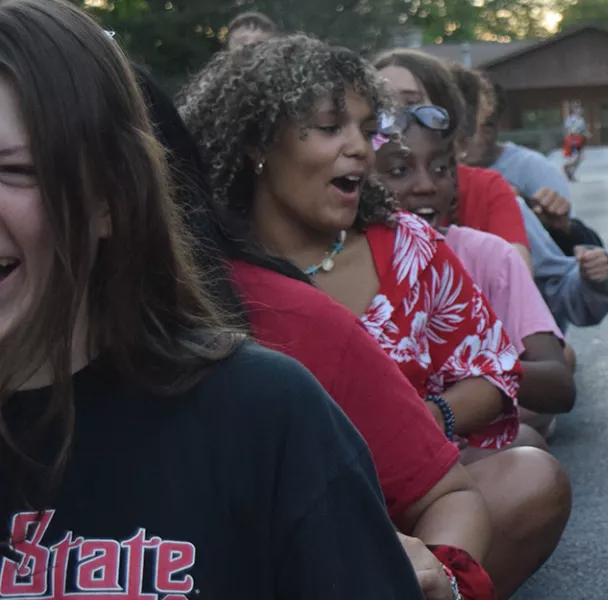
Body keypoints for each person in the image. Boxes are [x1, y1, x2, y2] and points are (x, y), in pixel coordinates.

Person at [0, 1, 423, 597]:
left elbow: (451, 485)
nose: (358, 148)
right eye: (329, 128)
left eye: (13, 170)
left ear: (110, 199)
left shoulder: (263, 408)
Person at [179, 35, 571, 598]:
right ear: (256, 141)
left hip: (413, 493)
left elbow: (496, 369)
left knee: (533, 477)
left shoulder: (410, 245)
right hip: (258, 519)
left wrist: (421, 421)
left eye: (366, 129)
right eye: (331, 126)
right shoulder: (197, 268)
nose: (361, 148)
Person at [372, 101, 576, 447]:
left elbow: (560, 384)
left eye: (440, 168)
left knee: (529, 453)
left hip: (462, 445)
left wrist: (473, 376)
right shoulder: (343, 264)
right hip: (380, 450)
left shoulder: (488, 255)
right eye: (399, 171)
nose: (426, 185)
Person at [452, 69, 608, 333]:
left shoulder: (527, 174)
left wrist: (562, 228)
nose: (476, 137)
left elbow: (563, 271)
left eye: (485, 125)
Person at [374, 50, 531, 268]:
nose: (395, 118)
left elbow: (514, 280)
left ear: (446, 114)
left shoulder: (486, 189)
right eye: (383, 106)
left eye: (410, 103)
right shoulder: (354, 195)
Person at [562, 101, 587, 181]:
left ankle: (571, 173)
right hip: (573, 140)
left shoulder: (581, 120)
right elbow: (568, 130)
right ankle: (567, 167)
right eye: (578, 108)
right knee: (575, 157)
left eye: (580, 108)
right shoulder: (571, 119)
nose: (580, 110)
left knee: (580, 158)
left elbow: (583, 130)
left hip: (580, 140)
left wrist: (585, 134)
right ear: (574, 110)